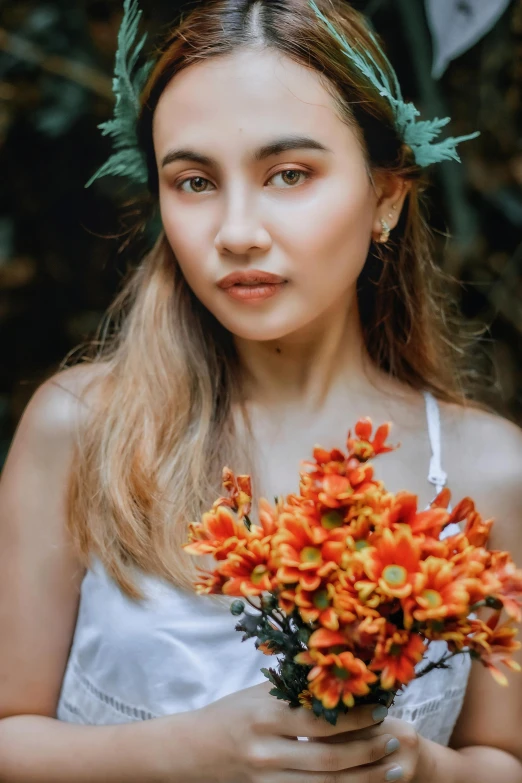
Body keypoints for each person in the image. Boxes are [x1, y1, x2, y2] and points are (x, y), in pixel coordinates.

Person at [0, 0, 521, 780]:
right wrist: (176, 752)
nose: (237, 229)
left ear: (386, 194)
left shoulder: (488, 473)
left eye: (289, 174)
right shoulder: (82, 429)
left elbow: (502, 755)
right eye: (196, 180)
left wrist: (416, 765)